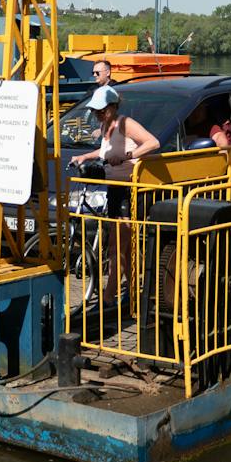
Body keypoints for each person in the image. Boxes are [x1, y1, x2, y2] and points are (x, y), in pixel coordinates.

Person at [69, 86, 159, 301]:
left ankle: (109, 296)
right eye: (95, 110)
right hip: (114, 188)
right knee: (124, 247)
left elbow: (152, 143)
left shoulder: (125, 124)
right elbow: (104, 152)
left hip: (129, 189)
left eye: (101, 110)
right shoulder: (105, 125)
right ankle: (136, 295)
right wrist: (85, 157)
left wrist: (129, 155)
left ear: (112, 107)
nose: (97, 114)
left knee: (115, 246)